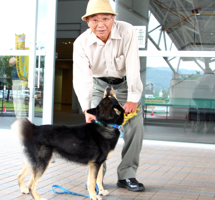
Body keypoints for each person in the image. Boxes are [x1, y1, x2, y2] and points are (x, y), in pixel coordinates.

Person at [73, 0, 145, 192]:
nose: (101, 24)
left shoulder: (127, 31)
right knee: (97, 131)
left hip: (123, 85)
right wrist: (87, 109)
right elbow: (82, 78)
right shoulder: (81, 43)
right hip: (98, 85)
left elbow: (132, 65)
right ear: (88, 21)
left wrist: (133, 97)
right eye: (95, 19)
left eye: (106, 18)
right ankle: (97, 179)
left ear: (113, 18)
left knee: (135, 126)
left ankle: (127, 175)